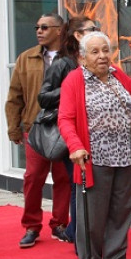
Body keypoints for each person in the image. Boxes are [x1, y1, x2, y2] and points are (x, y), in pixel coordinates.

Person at [57, 31, 131, 259]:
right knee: (93, 217)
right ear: (82, 57)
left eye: (106, 50)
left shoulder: (116, 74)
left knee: (122, 212)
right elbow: (64, 118)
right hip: (94, 158)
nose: (102, 56)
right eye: (95, 52)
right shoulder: (75, 81)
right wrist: (75, 146)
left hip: (125, 155)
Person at [5, 12, 72, 247]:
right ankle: (31, 226)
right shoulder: (26, 58)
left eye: (44, 27)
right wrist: (14, 128)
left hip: (65, 127)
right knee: (33, 178)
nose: (39, 31)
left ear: (59, 30)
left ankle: (60, 224)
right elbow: (15, 96)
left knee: (64, 178)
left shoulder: (72, 59)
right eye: (37, 27)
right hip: (35, 128)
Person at [38, 15, 100, 244]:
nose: (98, 31)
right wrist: (70, 88)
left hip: (92, 131)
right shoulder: (63, 63)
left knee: (84, 183)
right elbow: (43, 97)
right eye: (92, 28)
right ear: (78, 35)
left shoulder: (94, 60)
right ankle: (76, 232)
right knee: (78, 183)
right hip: (70, 134)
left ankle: (79, 230)